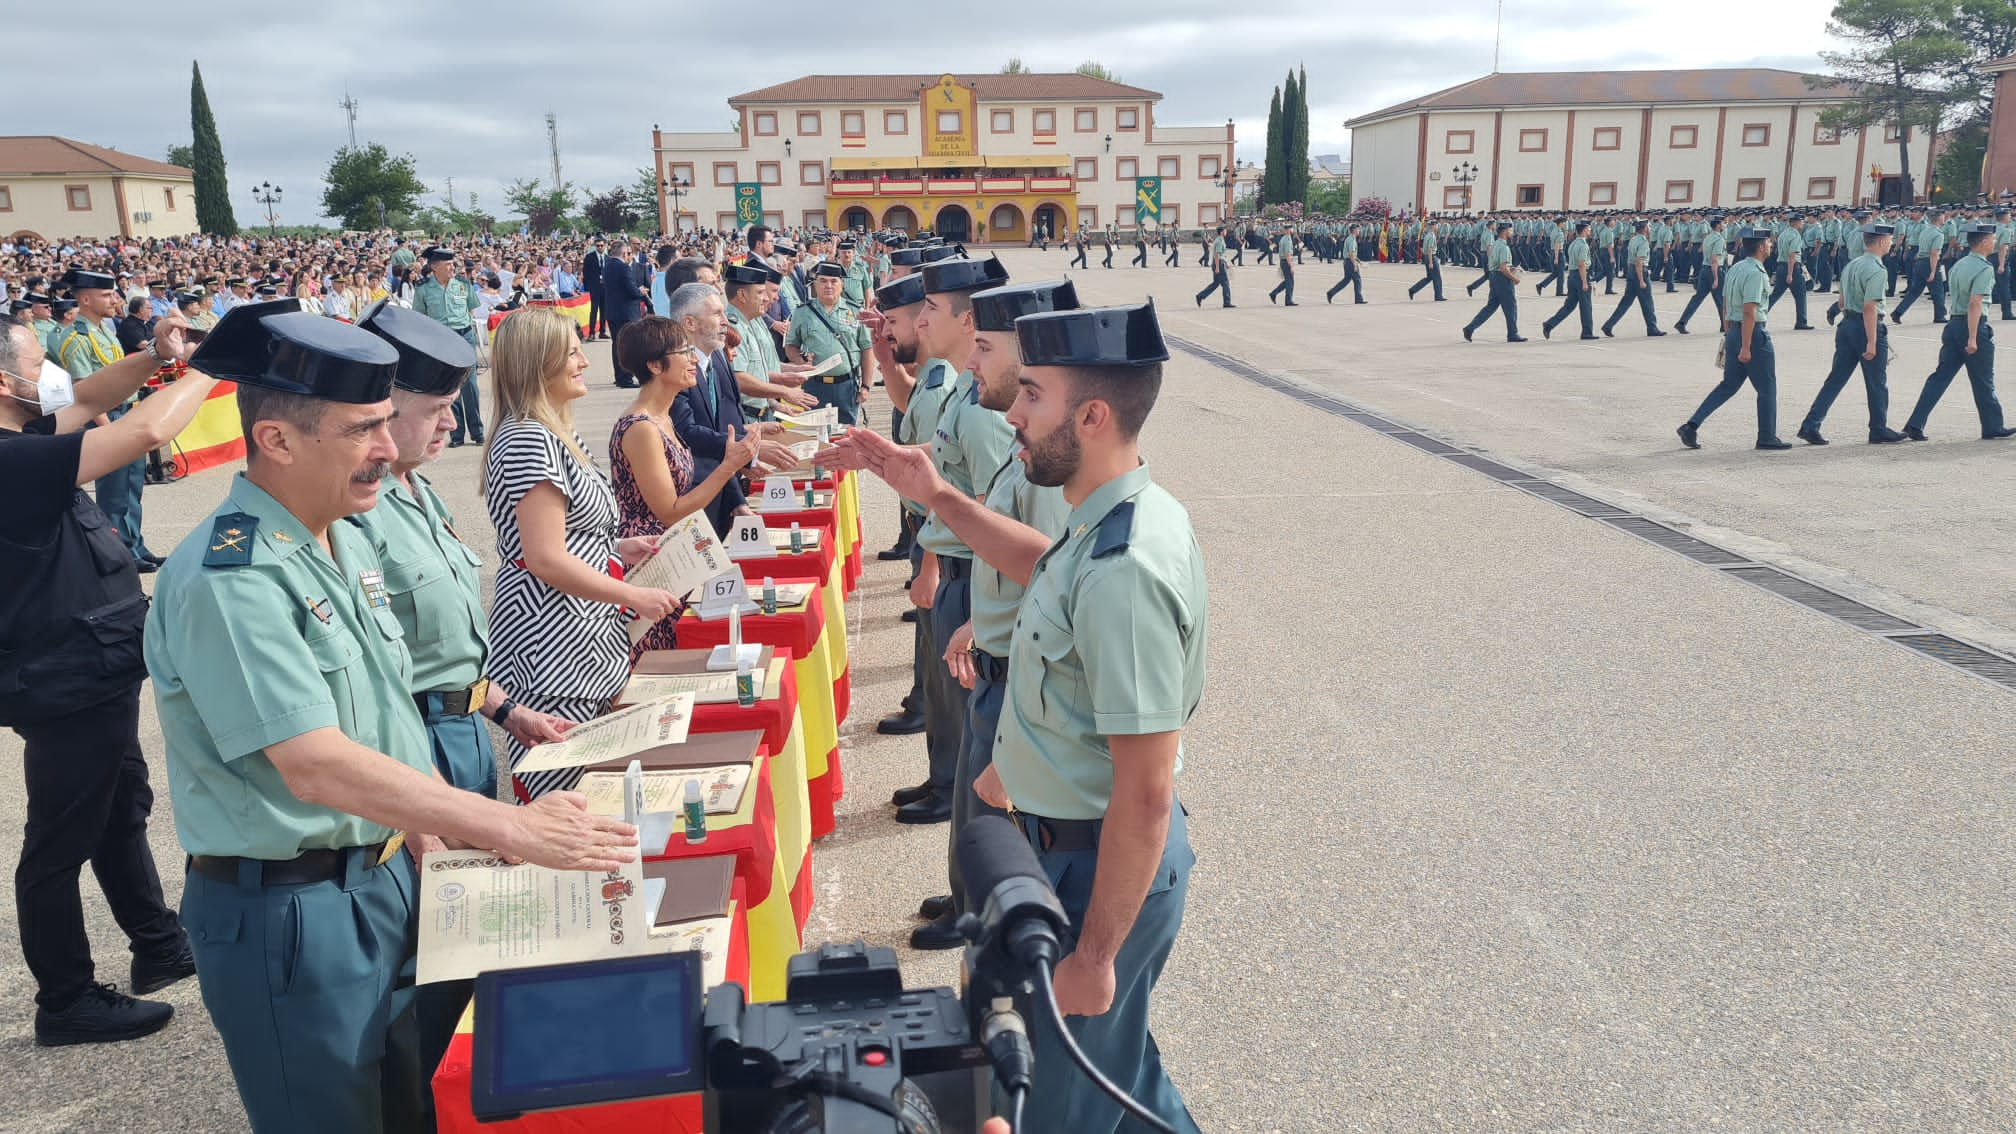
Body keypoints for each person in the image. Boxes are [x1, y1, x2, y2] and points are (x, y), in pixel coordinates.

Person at [148, 304, 638, 1134]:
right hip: (297, 912)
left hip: (385, 874)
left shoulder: (338, 538)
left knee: (416, 1105)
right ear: (277, 441)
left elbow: (387, 719)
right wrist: (505, 828)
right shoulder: (233, 578)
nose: (387, 449)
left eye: (386, 424)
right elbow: (314, 763)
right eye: (362, 430)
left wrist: (444, 839)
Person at [910, 299, 1209, 1134]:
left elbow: (1145, 794)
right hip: (1062, 852)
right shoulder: (1102, 518)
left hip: (1094, 872)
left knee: (1056, 1106)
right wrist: (934, 492)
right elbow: (1042, 571)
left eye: (1031, 396)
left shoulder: (1127, 568)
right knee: (1123, 1076)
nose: (1012, 412)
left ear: (1094, 415)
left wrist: (1095, 956)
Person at [349, 301, 585, 1108]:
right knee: (425, 955)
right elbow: (380, 678)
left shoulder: (410, 494)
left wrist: (504, 709)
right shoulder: (359, 516)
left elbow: (445, 648)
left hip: (461, 729)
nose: (451, 424)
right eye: (433, 411)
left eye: (452, 407)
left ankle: (454, 1096)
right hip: (412, 745)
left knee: (465, 940)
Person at [0, 314, 204, 1046]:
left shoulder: (23, 442)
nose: (49, 371)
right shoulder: (9, 460)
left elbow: (88, 398)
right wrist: (212, 372)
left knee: (120, 809)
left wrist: (154, 354)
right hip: (64, 675)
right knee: (59, 840)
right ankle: (66, 998)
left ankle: (158, 943)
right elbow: (144, 433)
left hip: (93, 664)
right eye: (35, 360)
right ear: (4, 381)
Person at [482, 307, 682, 798]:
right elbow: (545, 557)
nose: (584, 362)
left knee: (599, 797)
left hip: (581, 646)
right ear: (538, 362)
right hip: (554, 654)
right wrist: (632, 593)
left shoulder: (550, 432)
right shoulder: (530, 439)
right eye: (572, 353)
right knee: (566, 800)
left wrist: (615, 546)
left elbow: (559, 536)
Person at [610, 315, 759, 655]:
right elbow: (669, 509)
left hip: (675, 553)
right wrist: (729, 466)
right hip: (653, 558)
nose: (695, 360)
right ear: (655, 365)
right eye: (684, 352)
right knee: (660, 658)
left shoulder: (662, 418)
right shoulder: (642, 427)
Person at [56, 270, 161, 568]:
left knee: (131, 487)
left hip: (123, 412)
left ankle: (136, 546)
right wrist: (109, 431)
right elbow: (83, 390)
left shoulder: (104, 329)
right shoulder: (77, 337)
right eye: (106, 295)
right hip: (105, 418)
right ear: (85, 299)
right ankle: (118, 553)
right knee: (113, 493)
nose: (114, 299)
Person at [1901, 223, 2016, 442]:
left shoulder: (1959, 264)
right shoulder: (1984, 268)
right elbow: (1975, 303)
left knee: (1939, 377)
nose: (1996, 242)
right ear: (1983, 242)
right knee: (1983, 380)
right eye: (1992, 239)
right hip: (1972, 325)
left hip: (1954, 324)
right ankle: (1993, 426)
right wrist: (1973, 337)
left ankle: (1915, 423)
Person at [1679, 227, 1789, 450]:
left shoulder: (1736, 268)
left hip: (1734, 332)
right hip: (1753, 334)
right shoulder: (1756, 273)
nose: (1771, 245)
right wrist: (1746, 346)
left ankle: (1692, 425)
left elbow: (1726, 305)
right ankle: (1766, 435)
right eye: (1768, 242)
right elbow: (1750, 310)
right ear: (1760, 246)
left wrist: (1730, 333)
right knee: (1767, 388)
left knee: (1728, 385)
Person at [1798, 222, 1907, 445]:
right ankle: (1878, 428)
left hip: (1846, 324)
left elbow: (1842, 300)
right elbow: (1870, 307)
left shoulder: (1852, 265)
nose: (1892, 243)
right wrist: (1872, 341)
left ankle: (1811, 424)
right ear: (1881, 241)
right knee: (1877, 382)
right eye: (1890, 240)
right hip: (1865, 326)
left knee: (1835, 379)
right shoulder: (1877, 269)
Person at [785, 261, 878, 424]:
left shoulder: (855, 311)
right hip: (815, 386)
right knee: (816, 435)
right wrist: (801, 362)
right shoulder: (802, 313)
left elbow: (867, 349)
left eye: (834, 281)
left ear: (842, 285)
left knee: (847, 437)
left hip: (847, 386)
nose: (828, 286)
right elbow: (790, 346)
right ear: (815, 284)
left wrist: (866, 386)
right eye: (823, 281)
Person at [409, 247, 485, 447]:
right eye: (448, 264)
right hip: (441, 339)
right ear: (435, 267)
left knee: (471, 386)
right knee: (451, 387)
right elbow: (420, 317)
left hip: (464, 336)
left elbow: (470, 309)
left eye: (453, 263)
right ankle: (457, 434)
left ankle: (477, 431)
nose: (453, 267)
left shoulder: (463, 284)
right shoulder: (424, 288)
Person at [1462, 223, 1526, 342]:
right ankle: (1513, 334)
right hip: (1503, 280)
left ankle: (1470, 328)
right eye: (1511, 231)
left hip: (1494, 277)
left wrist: (1509, 269)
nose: (1512, 233)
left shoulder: (1495, 244)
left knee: (1490, 307)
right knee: (1510, 307)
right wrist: (1514, 278)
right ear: (1505, 231)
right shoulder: (1504, 247)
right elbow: (1503, 267)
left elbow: (1497, 264)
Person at [1601, 220, 1665, 338]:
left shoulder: (1633, 239)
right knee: (1647, 302)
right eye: (1649, 226)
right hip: (1640, 272)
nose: (1650, 228)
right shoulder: (1643, 242)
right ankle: (1652, 328)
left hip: (1631, 272)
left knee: (1625, 303)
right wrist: (1641, 280)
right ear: (1645, 228)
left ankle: (1609, 325)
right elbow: (1639, 261)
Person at [602, 239, 650, 388]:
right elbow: (631, 290)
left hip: (613, 311)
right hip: (626, 312)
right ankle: (625, 378)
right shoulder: (623, 267)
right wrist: (640, 291)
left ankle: (620, 376)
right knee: (626, 346)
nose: (629, 255)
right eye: (628, 253)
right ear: (623, 253)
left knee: (617, 345)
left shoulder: (607, 266)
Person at [1540, 221, 1597, 341]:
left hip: (1572, 276)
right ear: (1585, 230)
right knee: (1586, 306)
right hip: (1581, 275)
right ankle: (1587, 332)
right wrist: (1585, 282)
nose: (1590, 231)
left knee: (1569, 306)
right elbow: (1581, 264)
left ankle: (1549, 324)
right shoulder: (1583, 245)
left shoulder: (1573, 243)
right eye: (1589, 229)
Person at [1674, 215, 1727, 335]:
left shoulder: (1708, 238)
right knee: (1720, 299)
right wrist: (1716, 278)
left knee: (1697, 298)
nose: (1724, 225)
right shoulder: (1719, 239)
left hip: (1704, 269)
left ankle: (1682, 322)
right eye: (1723, 223)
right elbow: (1714, 259)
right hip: (1714, 270)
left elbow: (1704, 252)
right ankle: (1725, 325)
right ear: (1718, 225)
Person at [1325, 224, 1365, 304]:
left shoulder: (1349, 238)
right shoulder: (1352, 240)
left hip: (1347, 261)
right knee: (1357, 280)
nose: (1359, 231)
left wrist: (1359, 261)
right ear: (1354, 230)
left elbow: (1351, 253)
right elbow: (1351, 253)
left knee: (1346, 280)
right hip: (1350, 262)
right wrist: (1355, 264)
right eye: (1358, 229)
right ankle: (1358, 299)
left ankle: (1331, 293)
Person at [1193, 227, 1232, 309]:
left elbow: (1221, 254)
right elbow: (1217, 255)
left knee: (1215, 283)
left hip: (1219, 263)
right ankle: (1227, 302)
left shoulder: (1219, 239)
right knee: (1225, 283)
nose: (1226, 231)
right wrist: (1217, 267)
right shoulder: (1219, 241)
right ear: (1221, 232)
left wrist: (1226, 263)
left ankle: (1200, 296)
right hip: (1219, 264)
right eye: (1225, 230)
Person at [1408, 222, 1445, 301]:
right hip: (1431, 257)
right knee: (1437, 277)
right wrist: (1431, 262)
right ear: (1433, 226)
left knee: (1429, 277)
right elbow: (1430, 249)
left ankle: (1413, 290)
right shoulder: (1431, 236)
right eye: (1437, 225)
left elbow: (1423, 248)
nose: (1437, 227)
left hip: (1426, 257)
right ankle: (1438, 296)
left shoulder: (1427, 235)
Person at [1267, 228, 1297, 306]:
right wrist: (1291, 266)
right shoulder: (1287, 239)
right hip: (1286, 261)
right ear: (1288, 230)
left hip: (1283, 261)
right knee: (1290, 282)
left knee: (1287, 281)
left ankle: (1274, 293)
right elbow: (1287, 253)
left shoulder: (1283, 238)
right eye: (1291, 229)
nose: (1292, 230)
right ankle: (1288, 300)